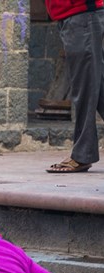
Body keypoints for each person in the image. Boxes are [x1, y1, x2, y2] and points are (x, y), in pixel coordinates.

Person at [45, 0, 104, 173]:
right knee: (98, 87)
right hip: (72, 14)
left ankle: (82, 155)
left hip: (82, 13)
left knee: (84, 88)